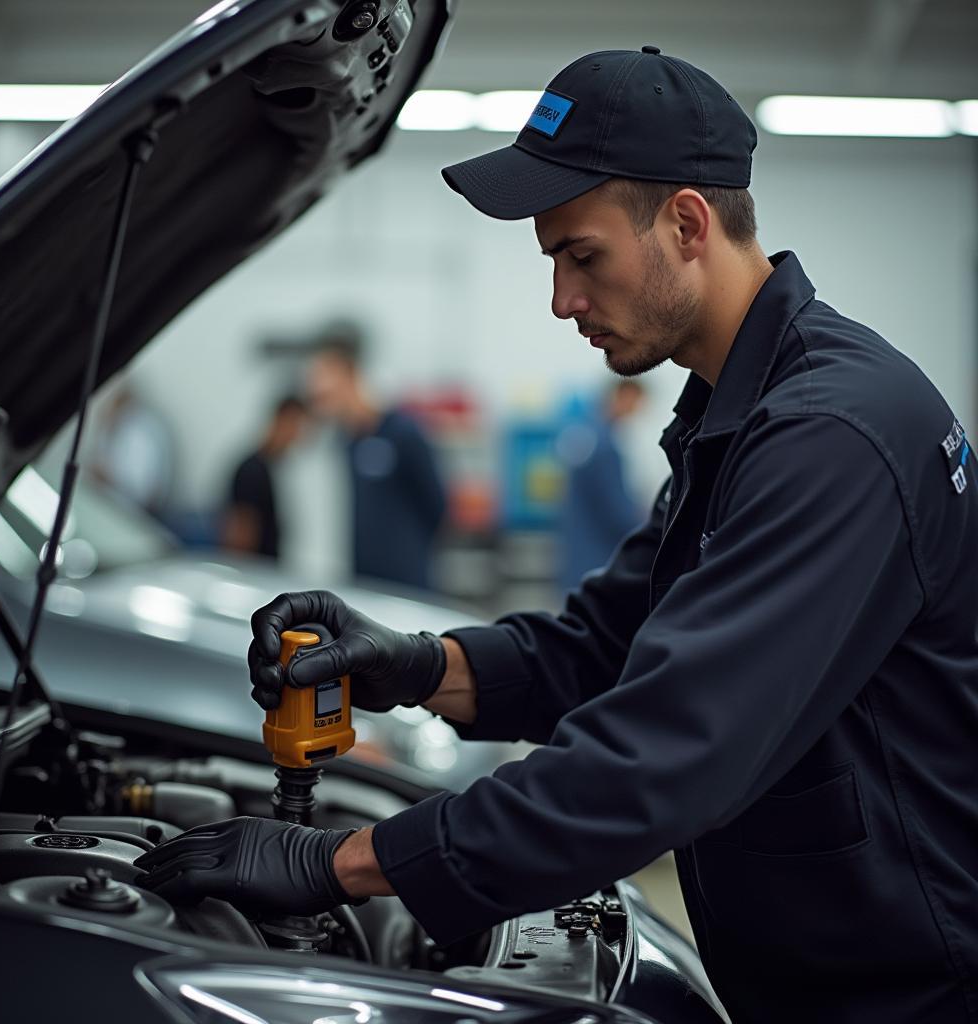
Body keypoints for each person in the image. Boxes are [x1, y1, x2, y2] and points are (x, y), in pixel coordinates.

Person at [135, 48, 978, 1024]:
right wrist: (414, 665)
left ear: (687, 224)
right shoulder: (739, 416)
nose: (562, 300)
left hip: (912, 993)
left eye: (583, 256)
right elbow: (605, 646)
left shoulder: (831, 434)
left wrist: (347, 861)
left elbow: (664, 754)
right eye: (553, 262)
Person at [306, 326, 446, 591]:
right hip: (362, 583)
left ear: (349, 374)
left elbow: (437, 505)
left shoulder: (401, 431)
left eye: (322, 376)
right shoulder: (343, 442)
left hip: (407, 584)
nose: (314, 388)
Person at [558, 379, 648, 591]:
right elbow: (618, 511)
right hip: (599, 555)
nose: (635, 412)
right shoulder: (606, 447)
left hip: (579, 550)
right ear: (622, 396)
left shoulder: (586, 434)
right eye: (635, 403)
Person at [221, 395, 307, 561]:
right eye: (299, 427)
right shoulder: (252, 471)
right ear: (284, 421)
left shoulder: (270, 468)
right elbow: (240, 537)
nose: (300, 437)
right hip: (254, 574)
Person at [90, 382, 174, 516]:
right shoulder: (113, 426)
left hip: (126, 513)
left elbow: (145, 492)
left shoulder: (142, 432)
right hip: (102, 503)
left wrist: (108, 477)